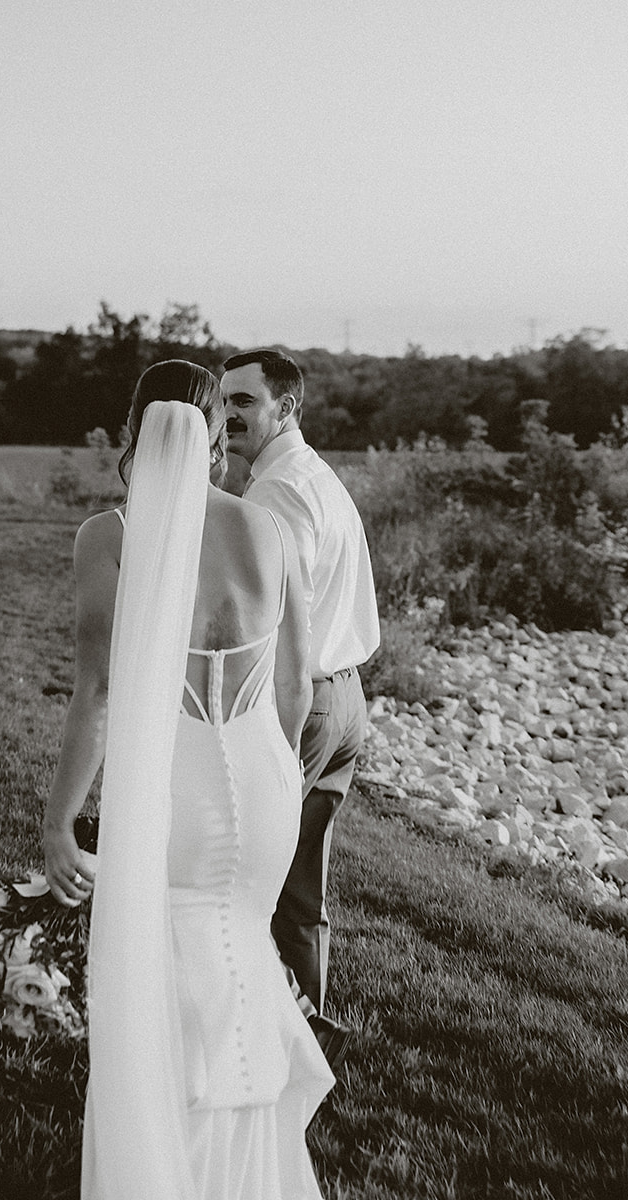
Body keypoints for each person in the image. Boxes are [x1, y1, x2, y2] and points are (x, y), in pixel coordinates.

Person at [42, 360, 334, 1200]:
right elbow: (296, 681)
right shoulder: (265, 530)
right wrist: (272, 768)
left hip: (173, 784)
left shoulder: (110, 536)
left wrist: (61, 822)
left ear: (135, 430)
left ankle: (173, 1169)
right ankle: (248, 1171)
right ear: (214, 435)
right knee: (238, 952)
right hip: (262, 776)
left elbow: (96, 695)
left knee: (162, 976)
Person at [220, 348, 380, 1037]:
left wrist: (268, 740)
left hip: (302, 704)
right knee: (300, 893)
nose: (227, 416)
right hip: (344, 702)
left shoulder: (277, 492)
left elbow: (270, 621)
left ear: (285, 407)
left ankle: (266, 1033)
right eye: (223, 401)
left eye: (244, 402)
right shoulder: (317, 476)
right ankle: (306, 1032)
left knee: (251, 874)